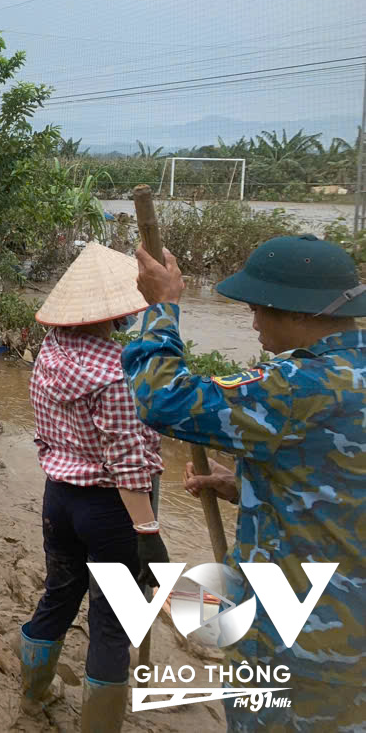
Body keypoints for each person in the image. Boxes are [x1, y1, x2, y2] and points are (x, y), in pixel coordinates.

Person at [124, 235, 365, 733]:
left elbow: (162, 399)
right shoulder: (352, 374)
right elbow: (340, 479)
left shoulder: (297, 383)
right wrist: (247, 485)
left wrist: (162, 308)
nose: (253, 324)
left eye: (259, 310)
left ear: (299, 313)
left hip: (300, 638)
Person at [18, 243, 167, 732]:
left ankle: (34, 696)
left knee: (58, 595)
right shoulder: (120, 372)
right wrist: (148, 531)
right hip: (111, 509)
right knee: (112, 622)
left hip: (59, 497)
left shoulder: (51, 351)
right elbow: (127, 465)